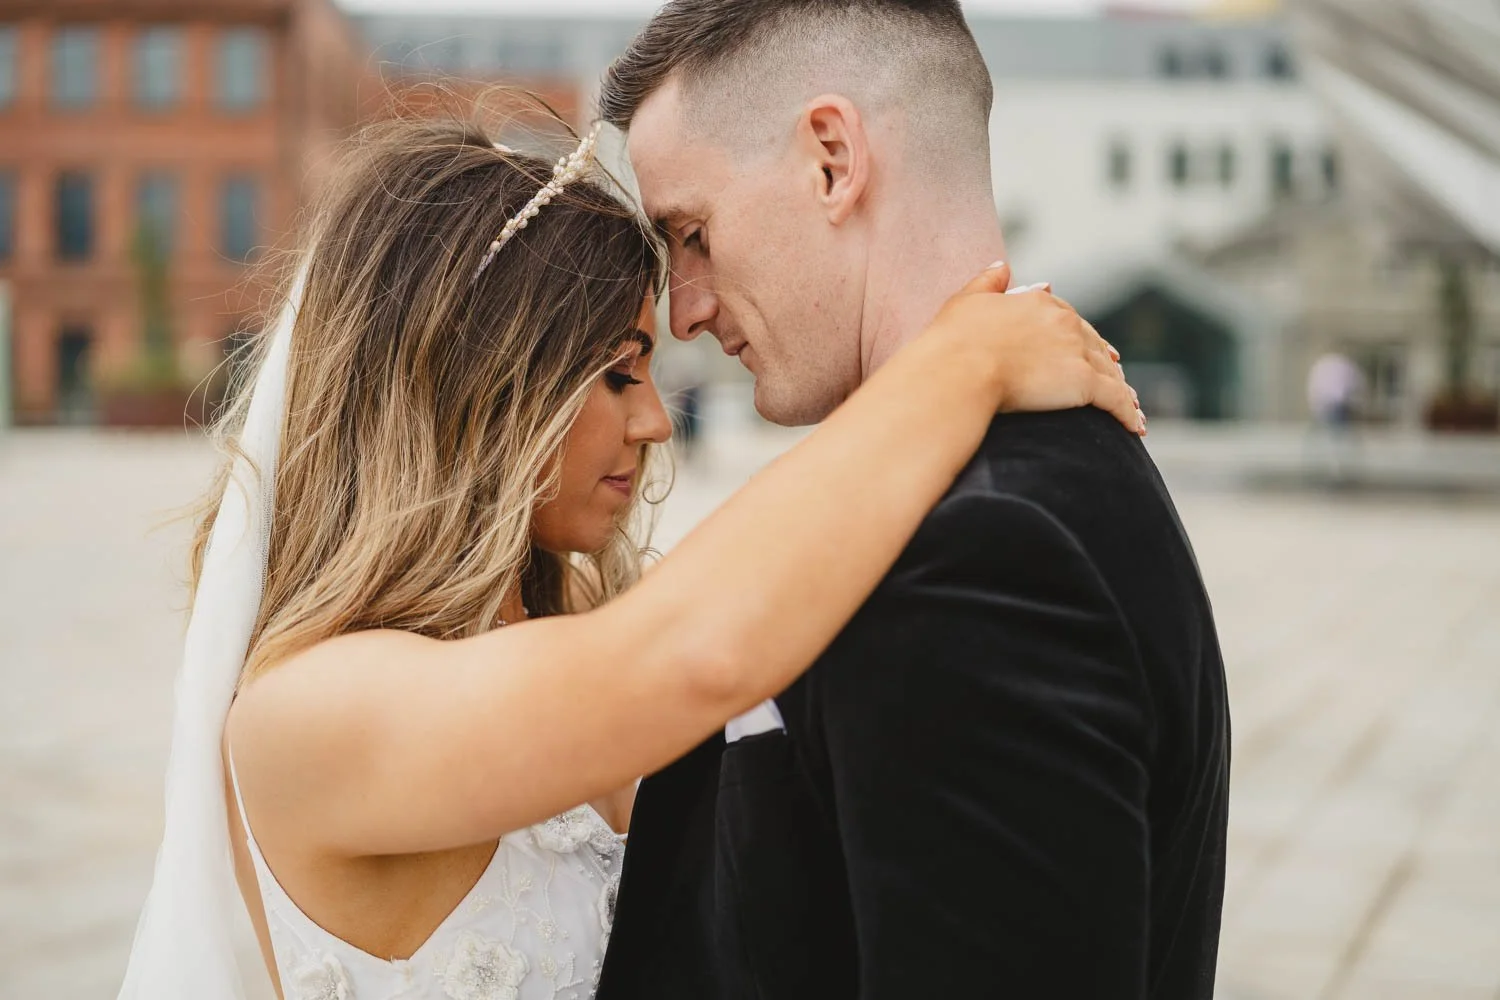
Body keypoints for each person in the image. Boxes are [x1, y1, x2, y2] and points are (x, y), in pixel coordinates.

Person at [116, 114, 1139, 1000]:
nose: (653, 420)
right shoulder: (305, 719)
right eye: (617, 371)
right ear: (476, 389)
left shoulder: (579, 623)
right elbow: (693, 654)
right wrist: (957, 363)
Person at [594, 2, 1231, 998]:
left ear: (832, 160)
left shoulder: (972, 555)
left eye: (693, 232)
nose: (685, 306)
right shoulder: (1017, 475)